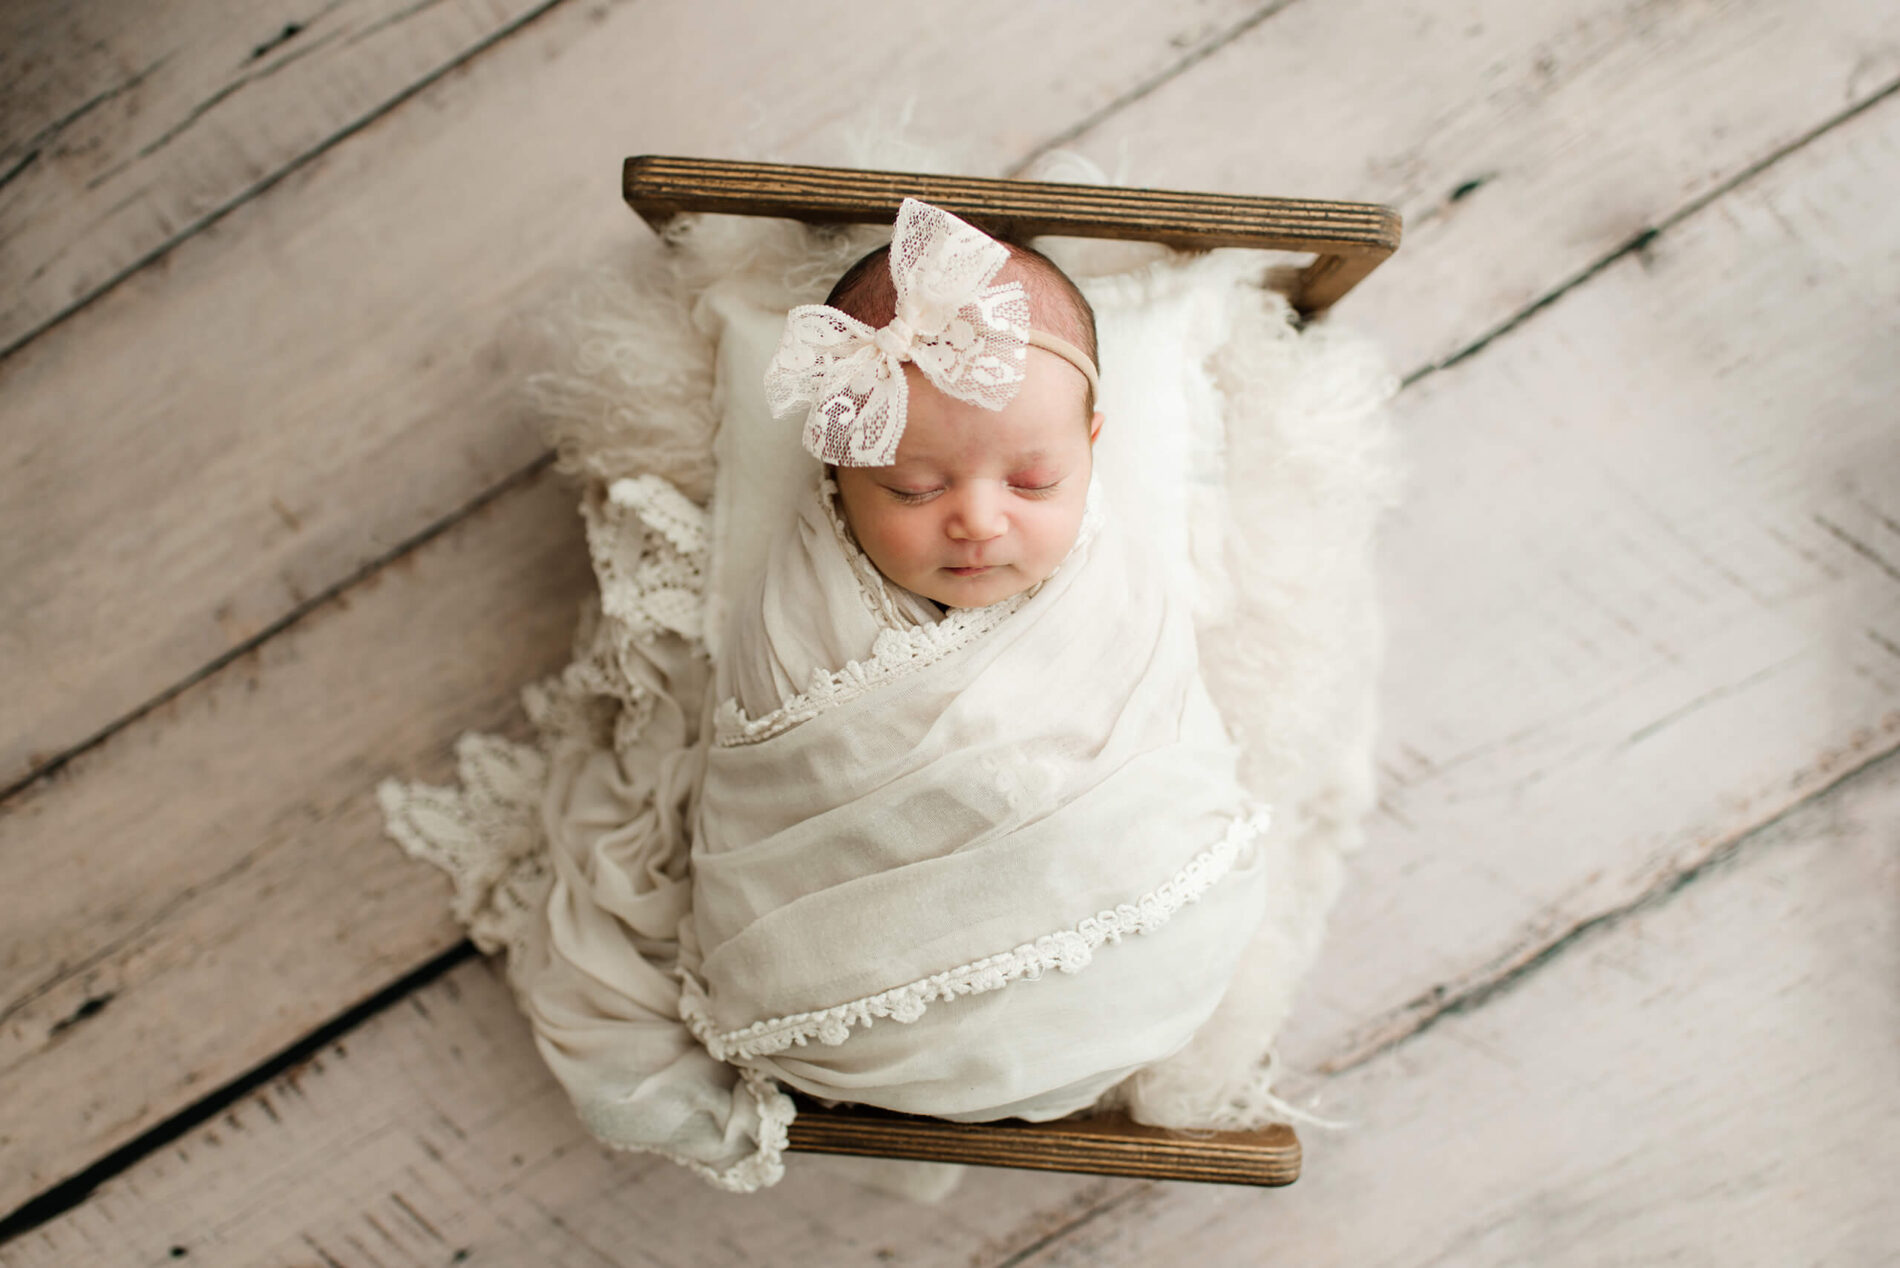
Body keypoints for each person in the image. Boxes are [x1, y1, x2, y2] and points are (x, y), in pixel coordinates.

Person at [681, 199, 1274, 1142]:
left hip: (1128, 953)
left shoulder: (1118, 589)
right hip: (842, 1001)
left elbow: (1160, 734)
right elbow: (781, 786)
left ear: (1091, 445)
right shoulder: (797, 607)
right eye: (912, 488)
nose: (979, 522)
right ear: (837, 474)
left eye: (1035, 482)